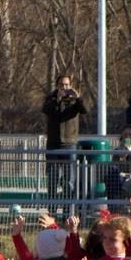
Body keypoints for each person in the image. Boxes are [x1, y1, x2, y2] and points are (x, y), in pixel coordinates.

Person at [42, 74, 88, 208]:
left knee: (69, 181)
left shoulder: (74, 101)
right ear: (57, 86)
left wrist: (78, 98)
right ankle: (52, 212)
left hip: (69, 145)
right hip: (53, 145)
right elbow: (46, 110)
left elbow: (84, 110)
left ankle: (68, 213)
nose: (64, 87)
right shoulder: (51, 99)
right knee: (53, 180)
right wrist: (58, 100)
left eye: (67, 85)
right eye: (62, 85)